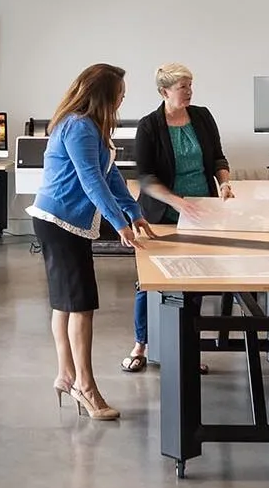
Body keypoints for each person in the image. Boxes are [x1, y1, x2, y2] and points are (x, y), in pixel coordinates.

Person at [30, 63, 158, 421]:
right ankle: (85, 387)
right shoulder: (78, 127)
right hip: (59, 222)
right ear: (104, 94)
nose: (122, 99)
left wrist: (134, 211)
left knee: (66, 304)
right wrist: (119, 224)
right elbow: (91, 182)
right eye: (119, 94)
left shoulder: (89, 127)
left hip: (63, 221)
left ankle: (66, 376)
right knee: (80, 304)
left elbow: (110, 174)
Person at [121, 62, 232, 374]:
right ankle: (141, 344)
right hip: (161, 215)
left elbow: (218, 158)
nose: (189, 92)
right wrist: (177, 202)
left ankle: (188, 347)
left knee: (193, 282)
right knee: (149, 282)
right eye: (183, 87)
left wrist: (224, 182)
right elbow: (145, 177)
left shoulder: (203, 117)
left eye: (190, 85)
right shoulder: (149, 126)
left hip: (201, 213)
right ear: (164, 91)